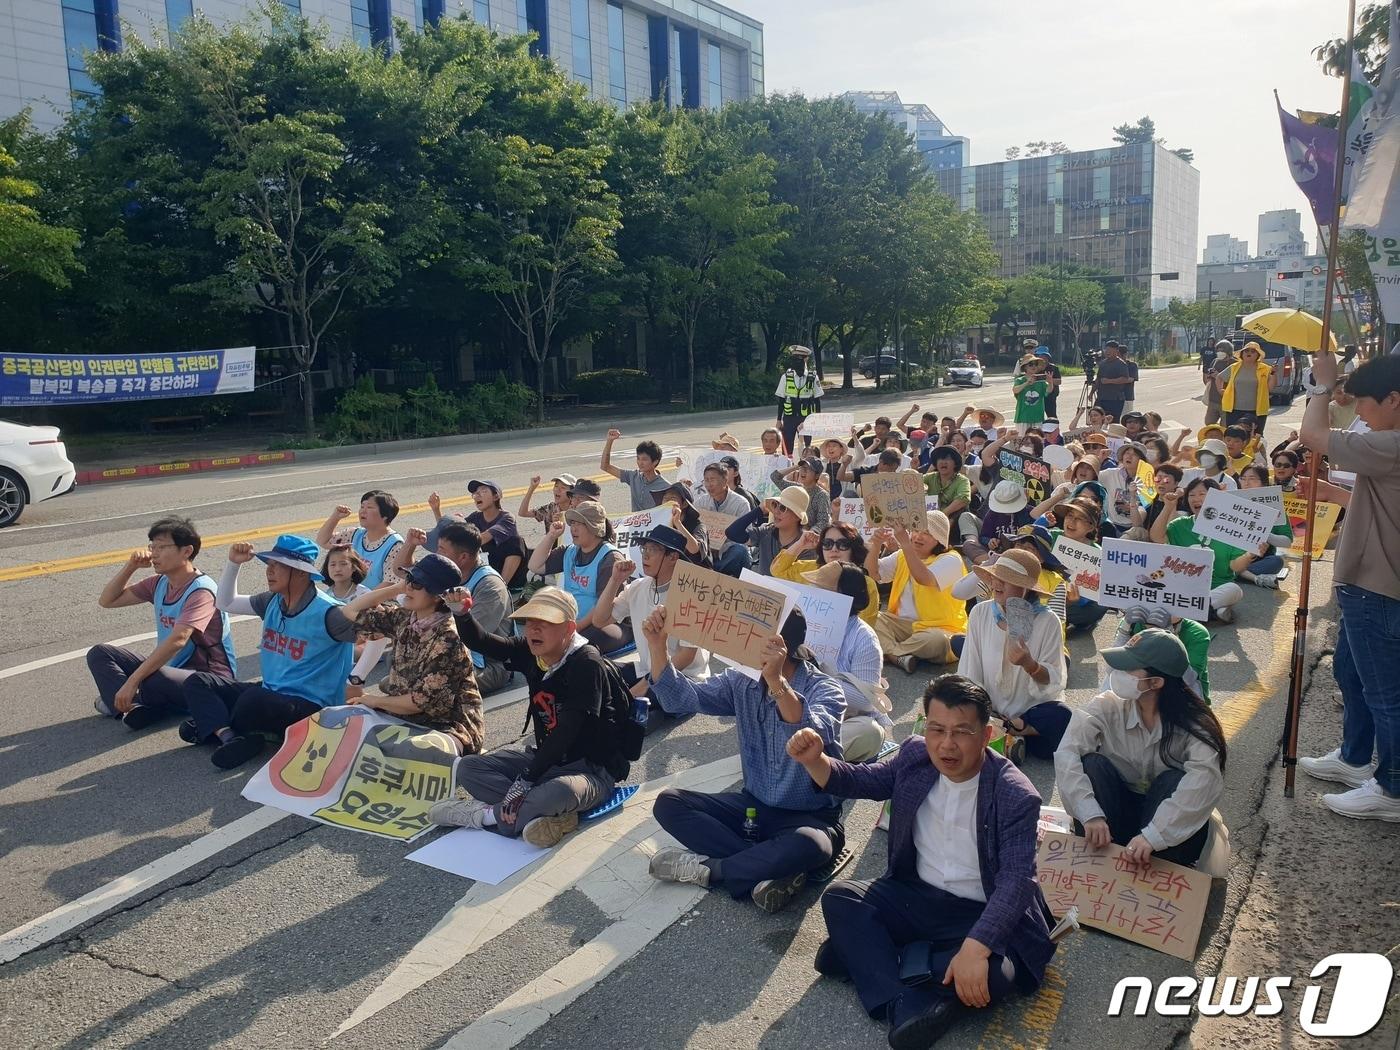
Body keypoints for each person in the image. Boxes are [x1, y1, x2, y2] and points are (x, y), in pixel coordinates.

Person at [791, 674, 1055, 1048]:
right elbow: (862, 781)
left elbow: (1016, 880)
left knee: (999, 974)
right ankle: (905, 998)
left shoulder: (1014, 794)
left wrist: (977, 947)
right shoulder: (916, 755)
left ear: (986, 733)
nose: (946, 745)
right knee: (841, 897)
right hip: (916, 895)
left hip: (977, 911)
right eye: (936, 729)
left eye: (962, 732)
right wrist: (815, 760)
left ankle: (869, 959)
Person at [643, 607, 847, 914]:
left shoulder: (825, 688)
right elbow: (680, 699)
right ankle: (768, 867)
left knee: (812, 845)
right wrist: (657, 647)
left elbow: (807, 732)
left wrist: (776, 681)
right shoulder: (741, 682)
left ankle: (713, 870)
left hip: (810, 817)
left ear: (782, 645)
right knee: (669, 803)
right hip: (754, 808)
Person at [429, 587, 636, 847]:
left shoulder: (586, 662)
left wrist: (526, 778)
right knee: (469, 767)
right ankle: (544, 816)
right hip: (547, 760)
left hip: (591, 770)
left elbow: (569, 728)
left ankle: (483, 816)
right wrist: (461, 613)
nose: (533, 630)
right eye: (529, 622)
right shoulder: (531, 651)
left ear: (569, 628)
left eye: (545, 622)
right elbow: (484, 641)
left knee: (560, 791)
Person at [1297, 352, 1400, 821]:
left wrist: (1321, 385)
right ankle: (1357, 759)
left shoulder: (1391, 443)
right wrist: (1340, 496)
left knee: (1384, 692)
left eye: (1362, 403)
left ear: (1394, 400)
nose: (1357, 413)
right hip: (1367, 583)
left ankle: (1391, 788)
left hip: (1378, 586)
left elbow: (1312, 436)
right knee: (1352, 674)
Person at [1055, 628, 1229, 872]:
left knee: (1174, 780)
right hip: (1115, 815)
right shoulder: (1107, 706)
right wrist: (1090, 814)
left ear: (1156, 682)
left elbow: (1203, 782)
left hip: (1166, 831)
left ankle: (1156, 865)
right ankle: (1102, 851)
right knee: (1092, 764)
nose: (1118, 674)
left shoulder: (1195, 726)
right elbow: (1067, 752)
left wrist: (1153, 836)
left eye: (1128, 669)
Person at [182, 535, 356, 769]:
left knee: (251, 700)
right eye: (269, 565)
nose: (269, 571)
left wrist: (359, 677)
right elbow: (225, 603)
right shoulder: (273, 601)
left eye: (278, 566)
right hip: (272, 692)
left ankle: (215, 725)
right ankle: (229, 736)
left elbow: (377, 637)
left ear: (301, 572)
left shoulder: (329, 613)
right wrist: (234, 563)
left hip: (311, 707)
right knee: (198, 681)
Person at [89, 516, 237, 731]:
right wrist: (130, 566)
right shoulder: (159, 583)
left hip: (207, 681)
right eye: (152, 546)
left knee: (151, 677)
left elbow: (178, 640)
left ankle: (133, 703)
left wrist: (131, 682)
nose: (153, 553)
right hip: (170, 674)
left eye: (162, 547)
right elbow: (107, 601)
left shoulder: (201, 591)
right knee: (100, 653)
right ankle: (137, 707)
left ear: (186, 551)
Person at [336, 553, 486, 754]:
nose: (409, 587)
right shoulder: (405, 616)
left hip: (446, 725)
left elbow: (419, 702)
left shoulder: (448, 637)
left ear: (437, 595)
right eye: (410, 579)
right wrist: (398, 587)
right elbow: (350, 610)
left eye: (417, 584)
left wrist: (375, 700)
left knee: (409, 751)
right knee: (344, 725)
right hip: (404, 714)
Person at [957, 550, 1069, 762]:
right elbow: (970, 671)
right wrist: (978, 709)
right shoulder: (980, 613)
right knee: (952, 701)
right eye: (995, 577)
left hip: (1030, 712)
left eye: (1006, 580)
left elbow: (1054, 680)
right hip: (989, 710)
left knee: (1062, 716)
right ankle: (1004, 736)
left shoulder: (1048, 622)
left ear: (1026, 589)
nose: (997, 584)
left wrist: (1030, 664)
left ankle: (1010, 732)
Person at [592, 524, 709, 721]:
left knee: (631, 713)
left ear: (673, 557)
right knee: (596, 667)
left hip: (684, 676)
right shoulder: (638, 586)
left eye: (653, 550)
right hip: (648, 670)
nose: (645, 555)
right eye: (644, 549)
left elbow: (686, 656)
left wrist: (646, 684)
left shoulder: (691, 595)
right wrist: (615, 580)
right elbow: (600, 620)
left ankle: (667, 708)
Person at [802, 561, 891, 762]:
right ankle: (801, 757)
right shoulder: (802, 623)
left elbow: (865, 701)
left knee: (869, 732)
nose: (812, 593)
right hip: (802, 714)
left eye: (821, 590)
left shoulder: (863, 637)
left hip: (845, 719)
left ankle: (802, 758)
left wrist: (817, 674)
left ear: (844, 597)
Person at [867, 513, 968, 674]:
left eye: (927, 533)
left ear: (940, 539)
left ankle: (890, 651)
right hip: (901, 623)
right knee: (870, 617)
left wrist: (905, 544)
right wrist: (876, 545)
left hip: (939, 627)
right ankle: (899, 654)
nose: (918, 536)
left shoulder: (952, 559)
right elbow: (874, 573)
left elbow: (923, 578)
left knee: (937, 640)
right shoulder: (902, 555)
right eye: (916, 530)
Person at [527, 501, 629, 653]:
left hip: (604, 621)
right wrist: (551, 536)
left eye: (579, 524)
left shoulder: (610, 558)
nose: (573, 528)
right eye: (572, 523)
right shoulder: (570, 551)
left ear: (594, 527)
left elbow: (606, 606)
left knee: (580, 646)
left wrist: (574, 629)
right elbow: (535, 566)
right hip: (572, 620)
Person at [428, 521, 514, 695]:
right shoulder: (449, 574)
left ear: (463, 557)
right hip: (449, 652)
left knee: (432, 686)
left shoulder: (490, 586)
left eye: (442, 550)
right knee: (398, 678)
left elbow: (471, 637)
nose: (437, 554)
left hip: (489, 663)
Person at [771, 521, 880, 627]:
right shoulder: (810, 569)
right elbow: (777, 570)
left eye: (842, 544)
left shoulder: (866, 583)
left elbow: (865, 625)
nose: (834, 549)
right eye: (827, 544)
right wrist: (800, 545)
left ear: (853, 548)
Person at [315, 490, 404, 589]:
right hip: (348, 596)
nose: (363, 511)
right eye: (362, 507)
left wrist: (362, 601)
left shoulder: (395, 544)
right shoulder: (354, 534)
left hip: (377, 601)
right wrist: (335, 517)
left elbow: (390, 583)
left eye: (369, 507)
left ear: (385, 515)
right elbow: (323, 541)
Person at [724, 486, 811, 577]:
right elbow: (732, 533)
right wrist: (759, 510)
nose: (776, 511)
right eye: (775, 505)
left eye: (783, 508)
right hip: (759, 588)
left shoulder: (806, 544)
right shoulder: (766, 531)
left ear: (797, 516)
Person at [601, 430, 672, 511]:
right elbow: (605, 467)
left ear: (655, 461)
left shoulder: (666, 487)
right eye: (638, 458)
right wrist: (610, 441)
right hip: (634, 522)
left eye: (644, 459)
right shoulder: (633, 476)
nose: (640, 463)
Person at [775, 345, 823, 456]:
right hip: (789, 417)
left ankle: (806, 468)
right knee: (787, 447)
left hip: (806, 418)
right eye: (795, 358)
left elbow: (817, 399)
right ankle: (788, 467)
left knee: (807, 447)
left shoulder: (812, 377)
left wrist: (818, 418)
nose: (797, 361)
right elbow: (781, 399)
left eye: (800, 358)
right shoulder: (786, 377)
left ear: (806, 358)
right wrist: (778, 419)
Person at [1217, 341, 1274, 434]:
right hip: (1234, 409)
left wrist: (1273, 374)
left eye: (1253, 351)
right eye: (1246, 351)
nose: (1249, 353)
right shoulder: (1234, 367)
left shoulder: (1265, 369)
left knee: (1255, 436)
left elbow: (1270, 388)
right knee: (1233, 435)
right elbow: (1219, 377)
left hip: (1257, 410)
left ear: (1258, 355)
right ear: (1242, 354)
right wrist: (1220, 390)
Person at [771, 457, 831, 533]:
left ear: (817, 475)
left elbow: (823, 521)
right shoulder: (795, 488)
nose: (803, 472)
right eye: (802, 468)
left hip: (808, 537)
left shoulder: (822, 495)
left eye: (808, 469)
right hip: (789, 532)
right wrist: (796, 467)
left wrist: (808, 534)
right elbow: (775, 477)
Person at [923, 446, 972, 522]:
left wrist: (942, 514)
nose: (943, 462)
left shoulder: (962, 480)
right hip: (930, 519)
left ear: (955, 463)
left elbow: (964, 498)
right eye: (940, 459)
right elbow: (914, 485)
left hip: (954, 521)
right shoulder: (929, 477)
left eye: (948, 459)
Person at [1093, 340, 1131, 420]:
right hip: (1101, 397)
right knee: (1097, 419)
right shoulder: (1103, 363)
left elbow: (1125, 379)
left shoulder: (1121, 364)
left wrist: (1109, 381)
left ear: (1116, 351)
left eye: (1110, 350)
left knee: (1112, 422)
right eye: (1106, 349)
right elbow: (1098, 379)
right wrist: (1092, 392)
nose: (1107, 352)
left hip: (1115, 399)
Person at [1012, 355, 1050, 431]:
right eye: (1030, 364)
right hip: (1023, 417)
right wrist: (1027, 383)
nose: (1033, 366)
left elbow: (1048, 391)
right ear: (1025, 367)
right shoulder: (1020, 380)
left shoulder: (1041, 381)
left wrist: (1051, 382)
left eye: (1035, 364)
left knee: (1038, 440)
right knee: (1022, 440)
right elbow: (1015, 390)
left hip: (1038, 417)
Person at [1202, 341, 1235, 427]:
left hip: (1226, 400)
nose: (1219, 352)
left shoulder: (1234, 363)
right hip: (1213, 399)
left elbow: (1235, 380)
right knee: (1209, 423)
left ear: (1228, 351)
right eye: (1218, 350)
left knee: (1225, 426)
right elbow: (1210, 374)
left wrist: (1218, 376)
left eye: (1222, 350)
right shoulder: (1215, 361)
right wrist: (1209, 376)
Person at [1036, 346, 1062, 418]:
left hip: (1051, 395)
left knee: (1051, 415)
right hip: (1038, 395)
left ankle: (1054, 428)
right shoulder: (1035, 368)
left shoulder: (1053, 368)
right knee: (1037, 415)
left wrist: (1049, 380)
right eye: (1040, 356)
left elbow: (1059, 381)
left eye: (1044, 356)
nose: (1042, 358)